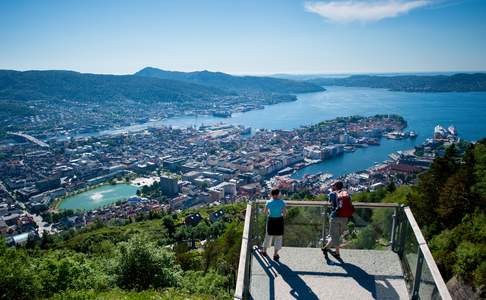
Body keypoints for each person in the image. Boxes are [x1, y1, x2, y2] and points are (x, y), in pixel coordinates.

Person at [321, 181, 353, 260]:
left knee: (334, 235)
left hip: (335, 217)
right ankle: (325, 248)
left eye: (333, 185)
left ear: (335, 186)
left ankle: (337, 253)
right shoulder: (346, 193)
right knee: (336, 235)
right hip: (345, 217)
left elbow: (331, 204)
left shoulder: (332, 194)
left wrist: (332, 191)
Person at [261, 188, 286, 261]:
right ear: (278, 194)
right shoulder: (282, 202)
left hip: (271, 220)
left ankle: (264, 251)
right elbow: (284, 213)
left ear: (271, 195)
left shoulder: (268, 202)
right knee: (278, 237)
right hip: (279, 220)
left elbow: (265, 212)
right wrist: (280, 214)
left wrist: (270, 213)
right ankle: (275, 254)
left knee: (268, 236)